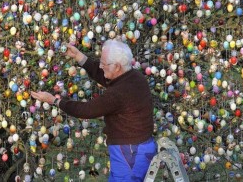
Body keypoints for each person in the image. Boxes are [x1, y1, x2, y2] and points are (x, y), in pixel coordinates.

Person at [31, 39, 156, 182]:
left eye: (104, 63)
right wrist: (79, 56)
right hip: (140, 146)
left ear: (117, 66)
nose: (101, 66)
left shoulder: (118, 94)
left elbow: (86, 110)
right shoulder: (133, 77)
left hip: (129, 151)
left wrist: (54, 101)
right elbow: (101, 74)